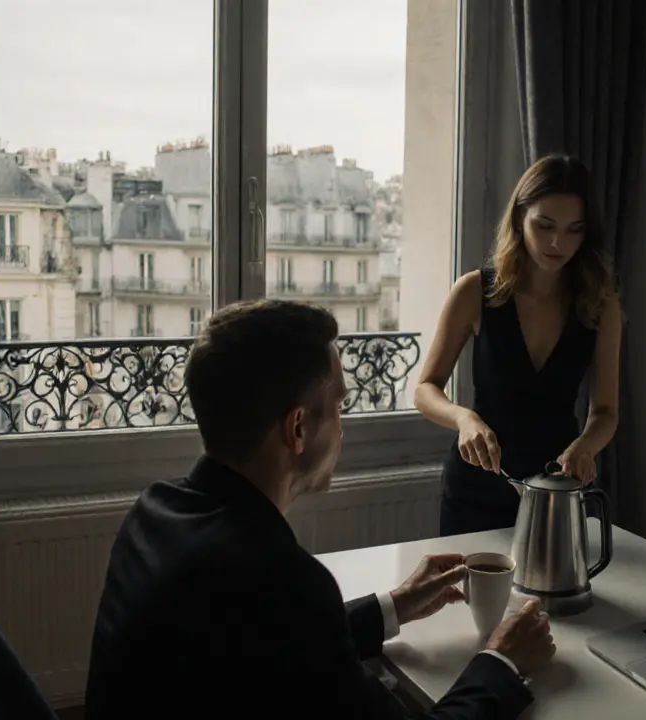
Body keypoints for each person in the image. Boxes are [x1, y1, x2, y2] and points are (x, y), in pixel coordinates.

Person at [85, 300, 555, 719]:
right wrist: (501, 662)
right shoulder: (284, 581)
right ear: (298, 428)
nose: (342, 428)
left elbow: (269, 640)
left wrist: (393, 606)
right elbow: (289, 620)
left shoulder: (153, 513)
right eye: (338, 407)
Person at [415, 155, 622, 536]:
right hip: (476, 485)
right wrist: (464, 419)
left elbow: (606, 411)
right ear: (519, 218)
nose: (558, 242)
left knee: (551, 577)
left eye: (574, 230)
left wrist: (586, 446)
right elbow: (425, 388)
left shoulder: (600, 306)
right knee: (468, 578)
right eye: (545, 225)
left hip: (555, 487)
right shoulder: (475, 291)